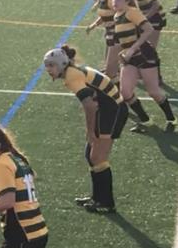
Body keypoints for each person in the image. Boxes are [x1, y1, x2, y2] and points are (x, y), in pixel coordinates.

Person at [44, 45, 124, 213]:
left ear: (62, 63)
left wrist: (90, 130)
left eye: (52, 65)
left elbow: (89, 106)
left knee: (97, 157)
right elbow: (92, 103)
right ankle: (97, 198)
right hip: (106, 108)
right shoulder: (72, 71)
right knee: (90, 155)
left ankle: (107, 203)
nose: (48, 69)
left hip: (112, 110)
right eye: (47, 65)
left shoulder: (72, 76)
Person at [110, 0, 175, 133]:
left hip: (145, 55)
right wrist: (123, 53)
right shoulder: (116, 16)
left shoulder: (132, 12)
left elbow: (149, 29)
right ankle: (145, 120)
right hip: (129, 58)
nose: (115, 1)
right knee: (126, 92)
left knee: (153, 92)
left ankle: (171, 119)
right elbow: (124, 40)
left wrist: (132, 49)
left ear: (127, 1)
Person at [83, 0, 120, 79]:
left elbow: (120, 14)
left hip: (116, 30)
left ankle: (114, 75)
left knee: (113, 54)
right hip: (110, 30)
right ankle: (111, 69)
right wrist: (93, 26)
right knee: (109, 50)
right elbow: (105, 16)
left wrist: (114, 27)